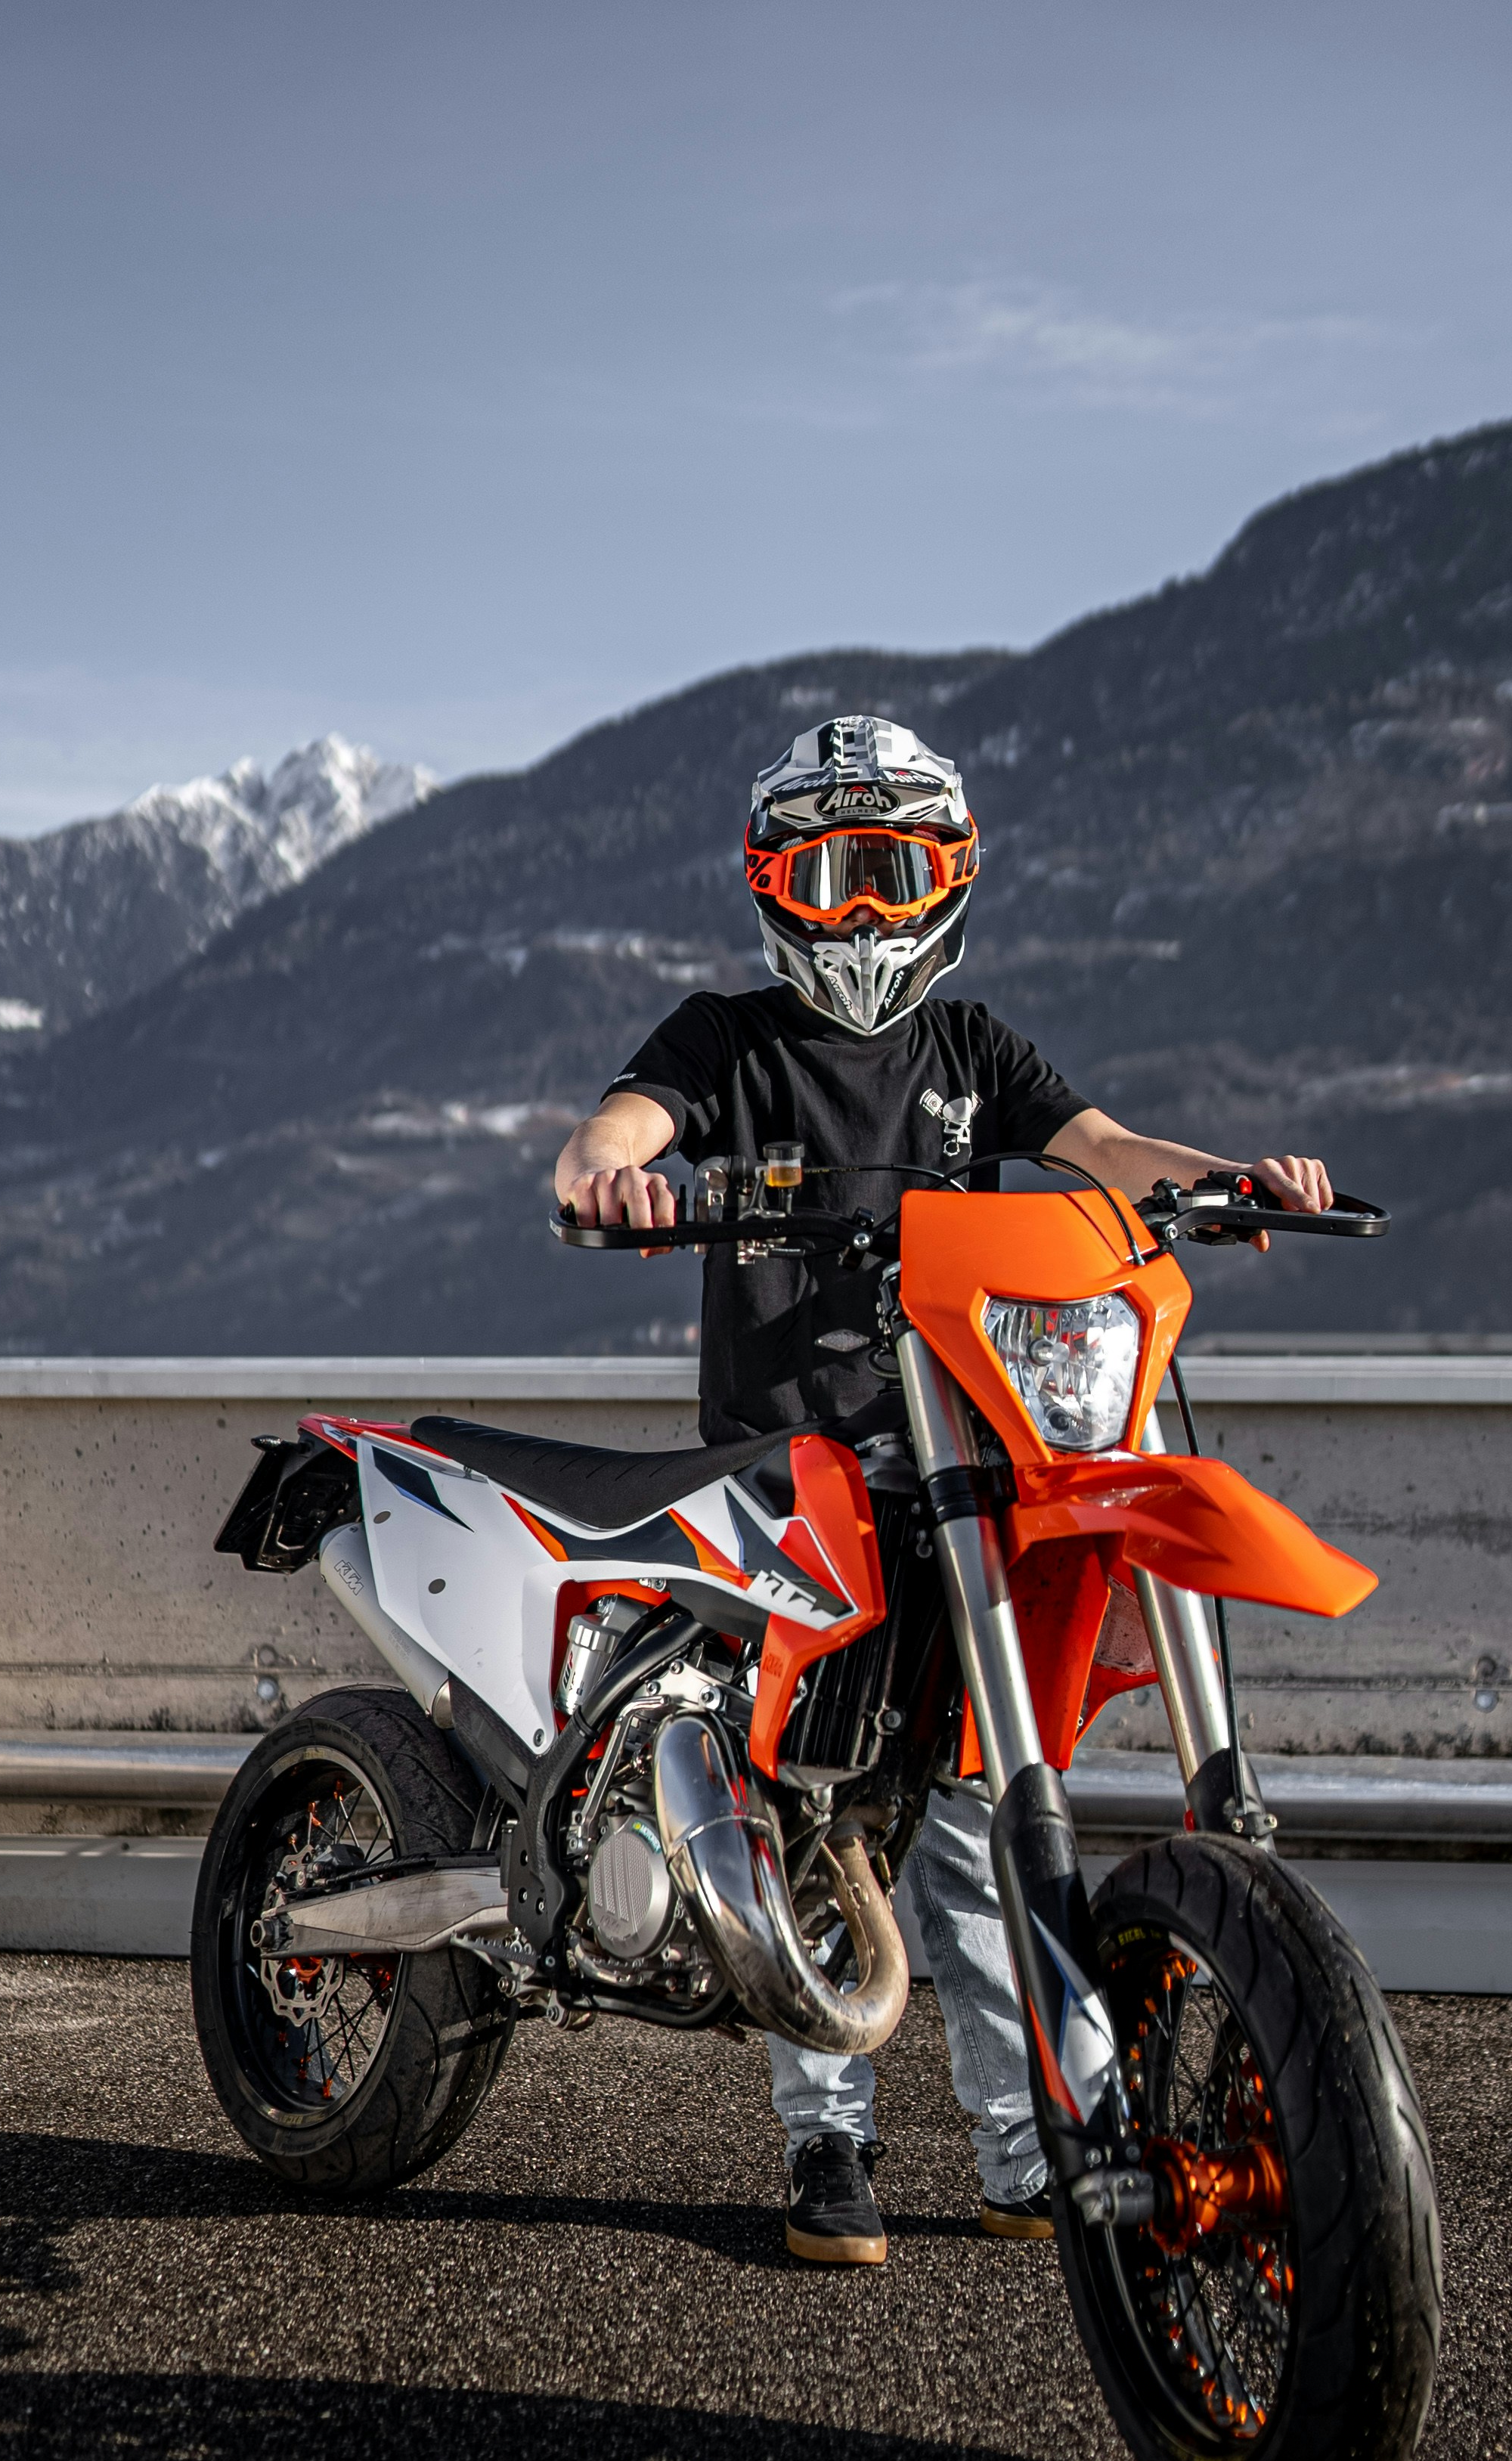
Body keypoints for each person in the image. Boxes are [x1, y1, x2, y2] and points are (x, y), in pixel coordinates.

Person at [551, 714, 1333, 2269]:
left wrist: (1226, 1176)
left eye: (888, 870)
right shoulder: (727, 1040)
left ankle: (1011, 2143)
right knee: (806, 1808)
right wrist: (610, 1175)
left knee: (975, 1809)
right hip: (785, 1481)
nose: (856, 909)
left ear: (946, 878)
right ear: (775, 881)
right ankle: (824, 2136)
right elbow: (615, 1127)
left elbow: (1102, 1147)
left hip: (953, 1474)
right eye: (828, 872)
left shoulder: (972, 1050)